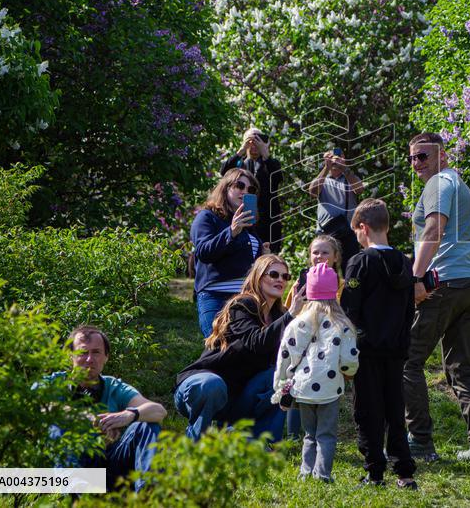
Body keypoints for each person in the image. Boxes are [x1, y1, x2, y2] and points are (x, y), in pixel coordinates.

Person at [404, 131, 470, 467]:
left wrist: (415, 277)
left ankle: (420, 442)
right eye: (412, 157)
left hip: (447, 284)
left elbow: (434, 230)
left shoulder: (439, 184)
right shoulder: (459, 185)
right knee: (461, 367)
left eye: (423, 156)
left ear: (443, 156)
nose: (416, 163)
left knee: (408, 360)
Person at [175, 255, 299, 442]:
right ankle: (195, 444)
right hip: (203, 386)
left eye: (285, 276)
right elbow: (256, 342)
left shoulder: (279, 317)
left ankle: (262, 442)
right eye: (273, 274)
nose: (280, 280)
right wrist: (290, 314)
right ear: (258, 276)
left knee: (282, 377)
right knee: (212, 385)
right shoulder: (243, 305)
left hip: (236, 397)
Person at [341, 198, 418, 489]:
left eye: (356, 232)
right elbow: (410, 307)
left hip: (367, 349)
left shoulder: (360, 262)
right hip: (397, 348)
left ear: (363, 227)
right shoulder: (404, 262)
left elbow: (350, 309)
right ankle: (405, 472)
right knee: (395, 409)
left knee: (368, 410)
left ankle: (374, 471)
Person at [50, 325, 167, 492]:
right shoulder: (54, 383)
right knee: (58, 424)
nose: (90, 359)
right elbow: (40, 405)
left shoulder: (113, 386)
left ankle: (149, 494)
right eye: (83, 352)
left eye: (96, 352)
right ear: (70, 356)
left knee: (146, 423)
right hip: (64, 471)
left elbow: (159, 411)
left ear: (106, 357)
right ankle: (71, 496)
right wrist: (86, 418)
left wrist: (129, 415)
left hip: (110, 470)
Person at [274, 263, 359, 483]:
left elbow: (284, 355)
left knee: (309, 434)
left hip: (303, 388)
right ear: (335, 292)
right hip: (330, 389)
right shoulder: (342, 324)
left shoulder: (297, 323)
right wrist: (347, 372)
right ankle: (322, 475)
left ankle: (305, 472)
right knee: (326, 435)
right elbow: (350, 360)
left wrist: (281, 384)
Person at [281, 234, 345, 440]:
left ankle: (320, 432)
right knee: (295, 381)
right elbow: (289, 310)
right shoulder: (300, 283)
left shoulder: (341, 285)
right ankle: (293, 435)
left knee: (322, 385)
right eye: (315, 252)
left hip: (328, 345)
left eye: (325, 252)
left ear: (335, 257)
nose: (319, 256)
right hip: (302, 341)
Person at [190, 168, 266, 337]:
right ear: (225, 187)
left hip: (245, 299)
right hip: (215, 296)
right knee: (218, 347)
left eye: (251, 189)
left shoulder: (249, 226)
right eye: (240, 185)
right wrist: (231, 231)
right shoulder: (208, 217)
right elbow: (203, 252)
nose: (245, 191)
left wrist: (263, 256)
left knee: (245, 349)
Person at [221, 127, 284, 245]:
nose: (254, 146)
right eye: (250, 142)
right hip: (243, 218)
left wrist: (265, 153)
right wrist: (241, 151)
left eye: (257, 141)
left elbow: (277, 178)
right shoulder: (239, 164)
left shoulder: (270, 163)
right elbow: (224, 174)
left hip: (267, 221)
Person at [307, 149, 364, 271]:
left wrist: (344, 168)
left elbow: (359, 189)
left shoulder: (349, 177)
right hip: (326, 232)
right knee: (323, 269)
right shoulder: (323, 178)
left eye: (338, 157)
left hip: (348, 232)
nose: (334, 160)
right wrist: (326, 168)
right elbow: (312, 192)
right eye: (331, 157)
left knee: (351, 269)